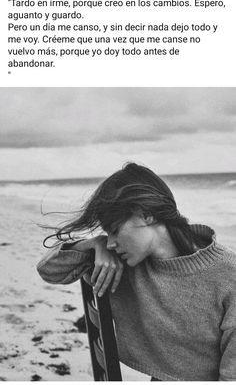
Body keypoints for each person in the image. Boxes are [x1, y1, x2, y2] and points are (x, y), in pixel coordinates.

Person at [37, 162, 236, 381]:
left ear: (146, 215)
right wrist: (94, 243)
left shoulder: (227, 274)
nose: (112, 243)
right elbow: (49, 271)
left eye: (114, 231)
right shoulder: (123, 263)